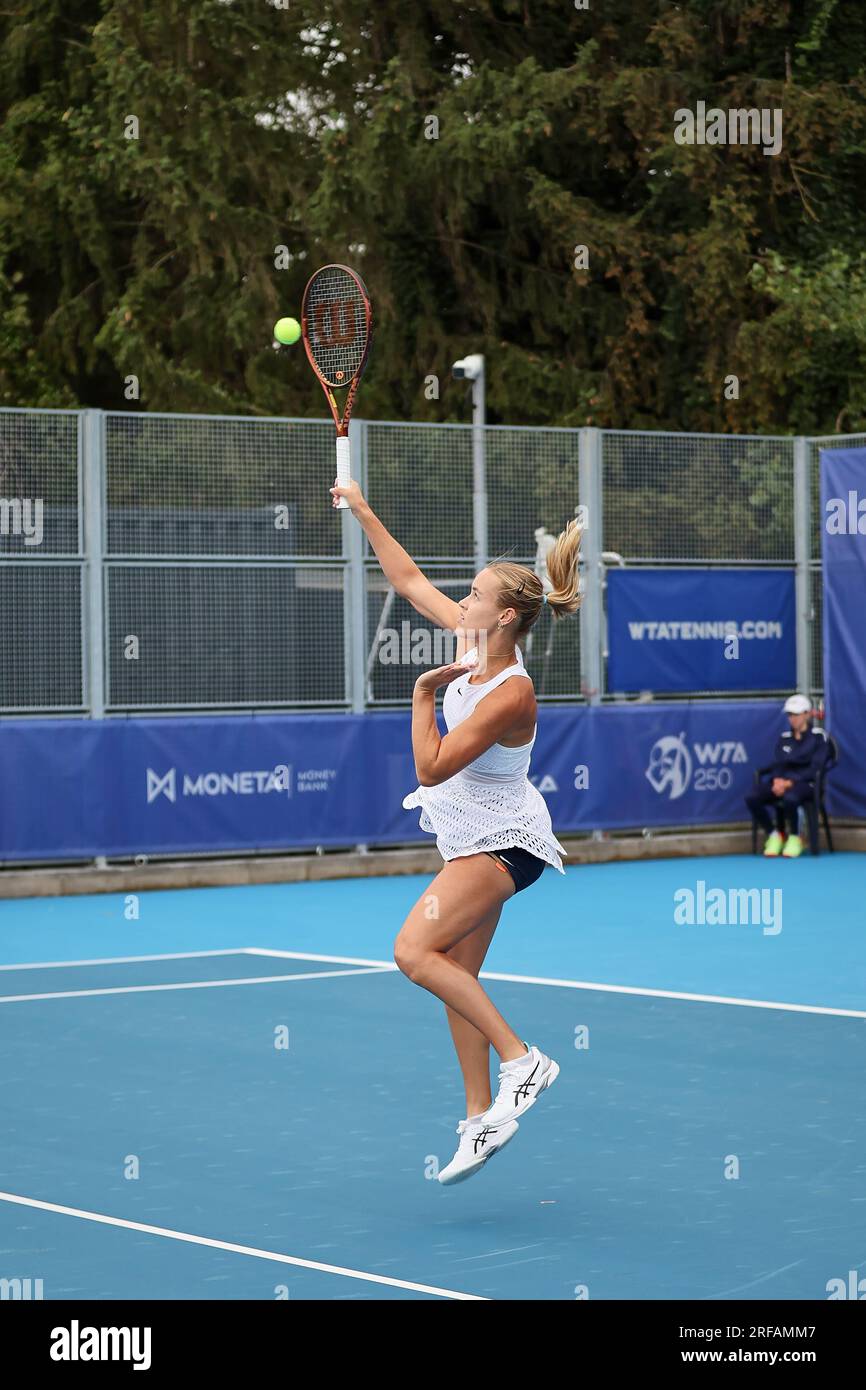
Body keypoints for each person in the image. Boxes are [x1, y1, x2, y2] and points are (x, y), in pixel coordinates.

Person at [331, 477, 582, 1184]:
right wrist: (363, 508)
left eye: (474, 596)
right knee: (456, 973)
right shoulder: (472, 647)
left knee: (413, 951)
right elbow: (408, 579)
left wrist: (420, 696)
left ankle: (523, 1060)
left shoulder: (512, 691)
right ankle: (481, 1117)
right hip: (476, 841)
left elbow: (433, 766)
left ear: (505, 619)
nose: (463, 602)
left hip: (505, 845)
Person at [745, 694, 831, 858]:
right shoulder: (784, 739)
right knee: (752, 796)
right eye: (790, 715)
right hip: (782, 782)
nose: (792, 719)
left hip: (807, 784)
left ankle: (795, 838)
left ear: (807, 714)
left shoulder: (819, 737)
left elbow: (816, 768)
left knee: (791, 797)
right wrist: (777, 780)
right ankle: (774, 835)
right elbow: (778, 764)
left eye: (796, 714)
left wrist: (790, 782)